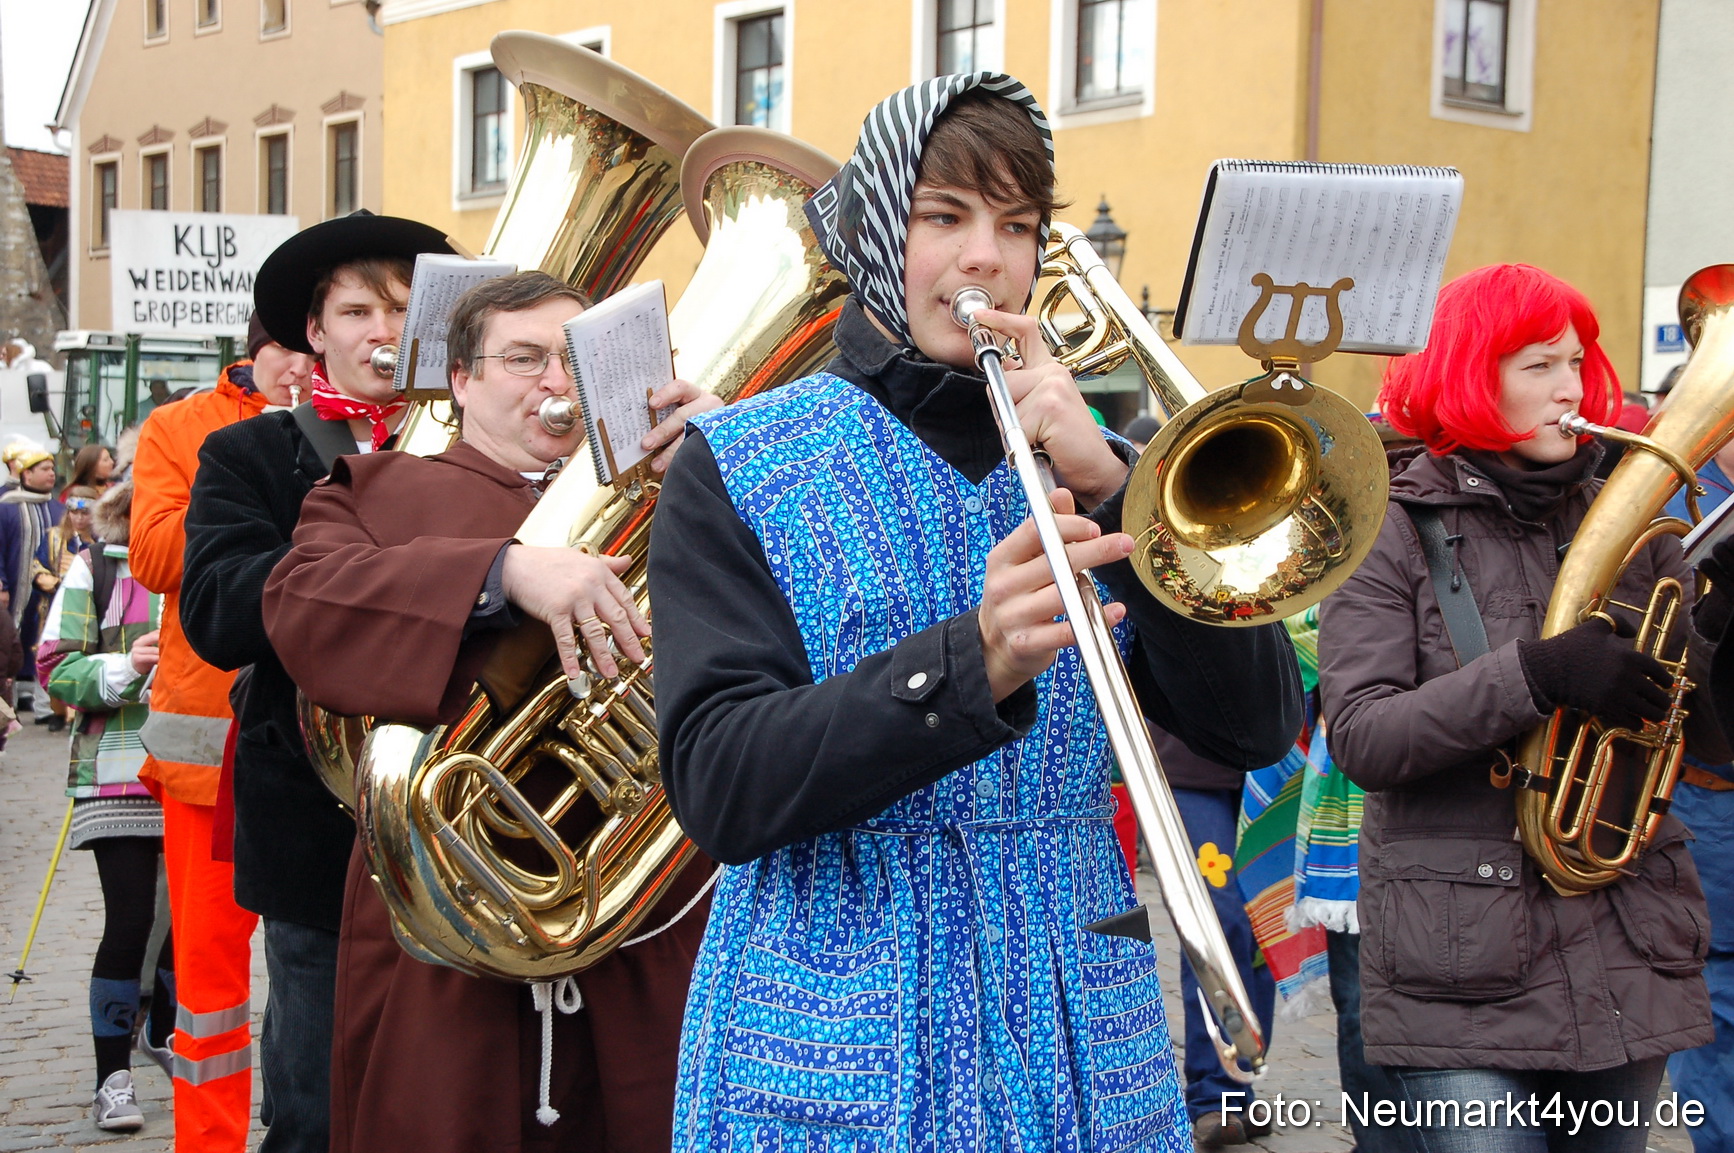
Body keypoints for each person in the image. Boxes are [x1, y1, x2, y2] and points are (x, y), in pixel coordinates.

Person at [648, 76, 1301, 1152]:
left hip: (1081, 1008)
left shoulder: (1107, 458)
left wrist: (1122, 499)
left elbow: (1257, 724)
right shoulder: (741, 461)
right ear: (873, 236)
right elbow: (720, 782)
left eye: (1018, 226)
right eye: (943, 217)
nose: (986, 257)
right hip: (839, 1008)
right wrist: (975, 660)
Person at [260, 269, 717, 1153]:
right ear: (461, 380)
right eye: (523, 358)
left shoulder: (679, 486)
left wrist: (736, 458)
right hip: (454, 922)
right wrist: (501, 571)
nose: (554, 383)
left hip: (644, 912)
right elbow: (301, 602)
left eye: (575, 361)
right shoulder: (379, 487)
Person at [1318, 263, 1715, 1153]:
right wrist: (1536, 675)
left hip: (1621, 941)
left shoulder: (1630, 512)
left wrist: (1718, 629)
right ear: (1470, 371)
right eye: (1537, 365)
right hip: (1458, 963)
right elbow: (1364, 735)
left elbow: (1702, 728)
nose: (1570, 388)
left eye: (1575, 361)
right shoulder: (1386, 522)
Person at [178, 212, 452, 1153]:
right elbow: (214, 609)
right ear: (316, 332)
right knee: (315, 1104)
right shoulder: (248, 455)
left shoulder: (483, 447)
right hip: (316, 824)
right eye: (359, 309)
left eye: (405, 309)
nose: (383, 329)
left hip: (470, 823)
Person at [128, 311, 314, 1151]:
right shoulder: (181, 426)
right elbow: (157, 556)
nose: (303, 366)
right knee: (211, 987)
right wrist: (253, 481)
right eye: (291, 350)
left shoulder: (361, 422)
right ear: (258, 350)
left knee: (320, 971)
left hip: (315, 746)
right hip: (206, 748)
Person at [35, 477, 175, 1131]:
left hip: (198, 767)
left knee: (185, 928)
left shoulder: (212, 558)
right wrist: (125, 664)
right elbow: (54, 664)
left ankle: (164, 1032)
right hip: (118, 770)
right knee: (129, 921)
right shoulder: (97, 563)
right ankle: (110, 1078)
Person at [0, 447, 63, 723]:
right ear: (26, 474)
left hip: (48, 594)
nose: (52, 474)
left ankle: (42, 703)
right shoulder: (6, 507)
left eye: (52, 469)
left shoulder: (58, 508)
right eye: (44, 469)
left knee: (39, 640)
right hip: (13, 590)